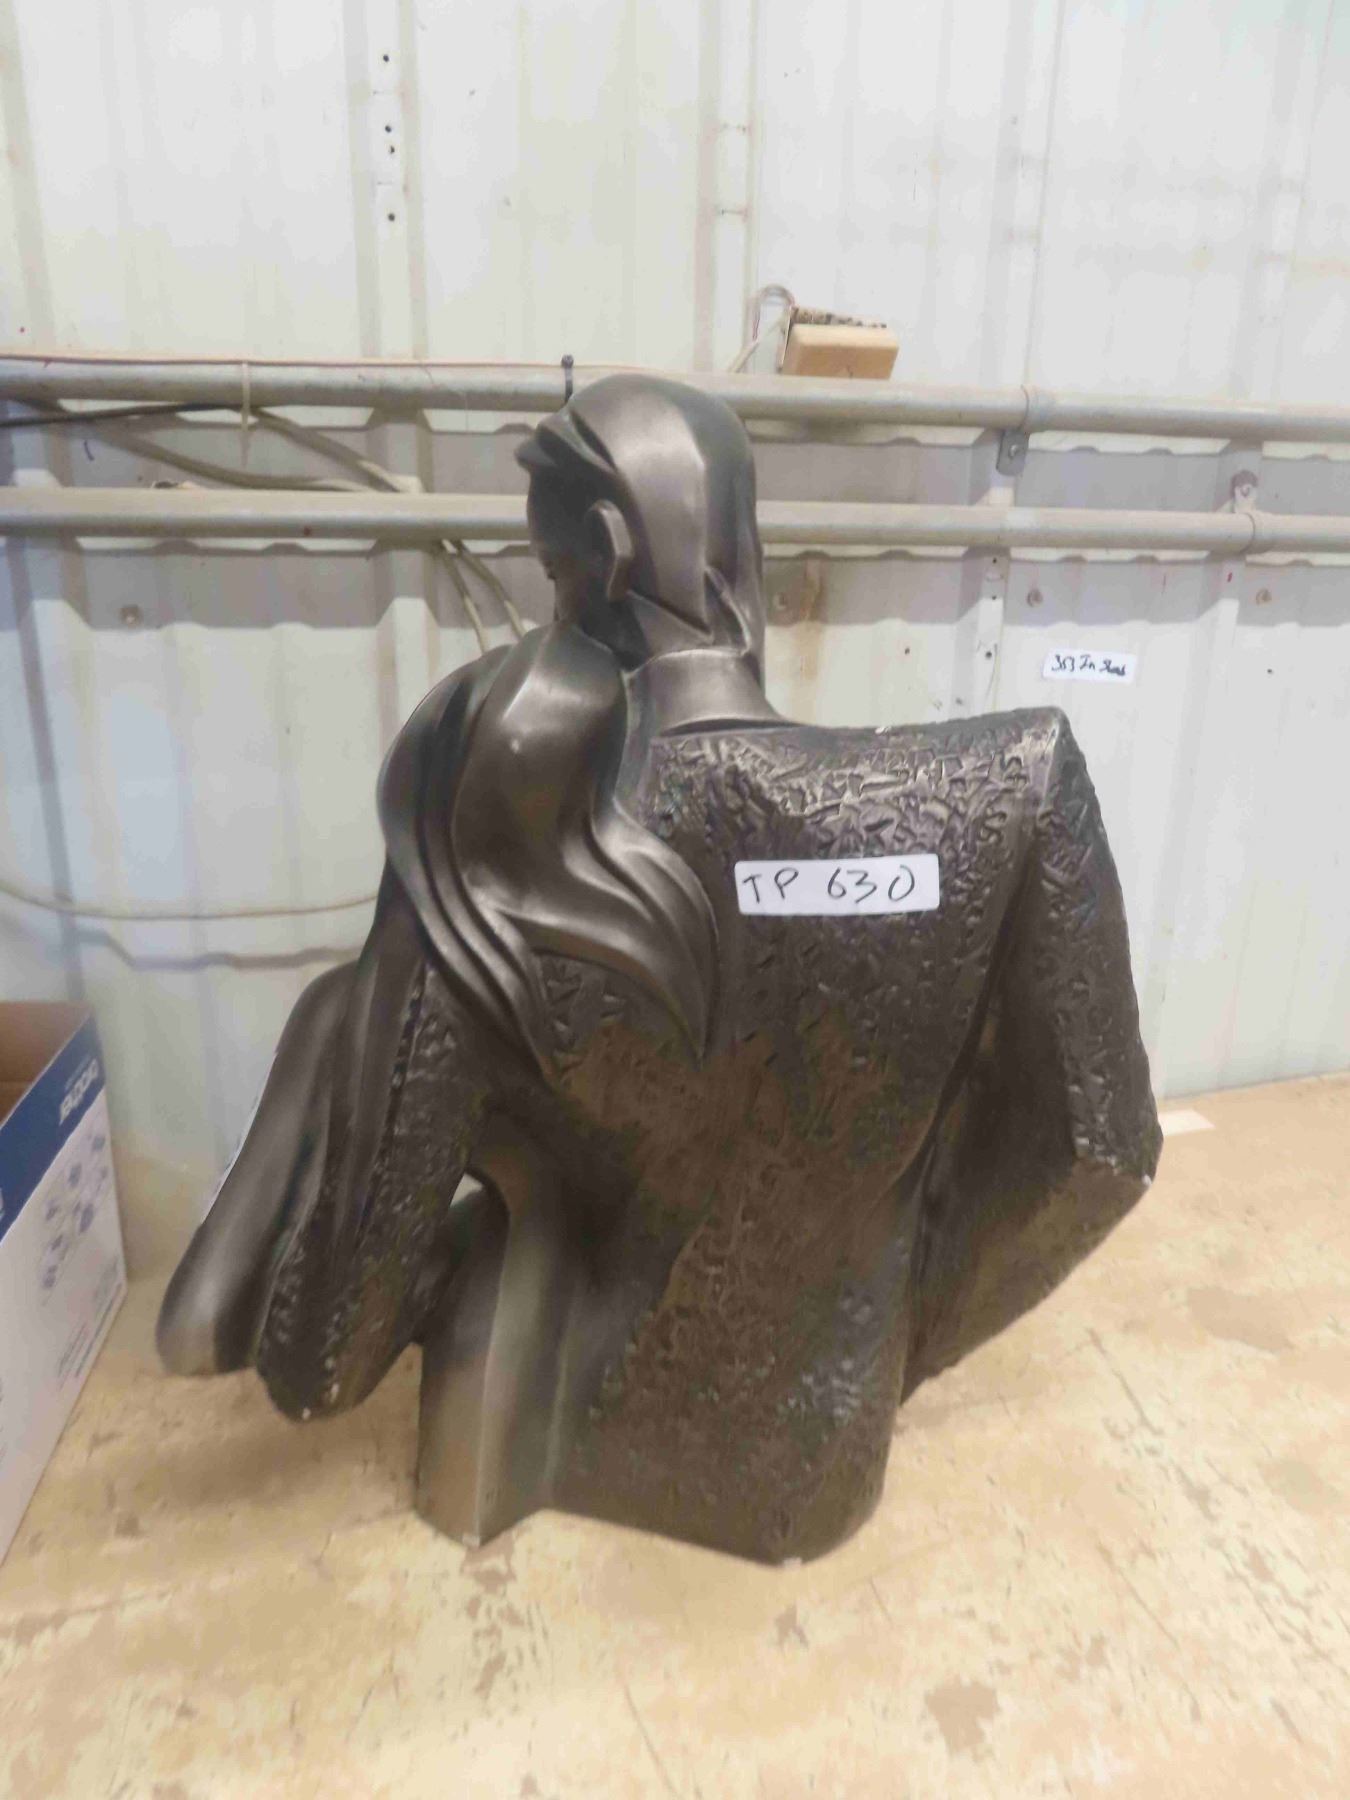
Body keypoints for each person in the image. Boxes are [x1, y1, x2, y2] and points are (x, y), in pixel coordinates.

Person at [159, 375, 1160, 1564]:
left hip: (546, 1440)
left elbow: (330, 1352)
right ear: (739, 544)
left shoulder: (507, 836)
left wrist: (339, 1053)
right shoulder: (1012, 792)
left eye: (552, 572)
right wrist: (886, 1323)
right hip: (821, 1461)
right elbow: (1103, 1155)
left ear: (608, 548)